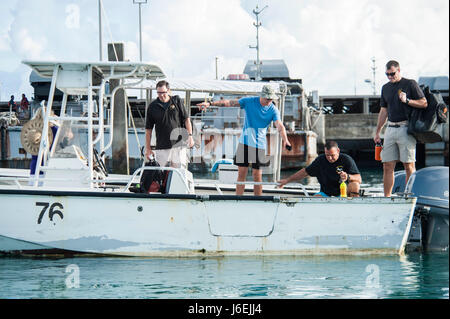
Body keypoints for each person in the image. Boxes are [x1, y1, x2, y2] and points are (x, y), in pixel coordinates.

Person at [197, 85, 291, 196]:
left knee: (257, 176)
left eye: (271, 99)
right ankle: (238, 199)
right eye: (267, 99)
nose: (269, 101)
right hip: (245, 143)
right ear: (262, 96)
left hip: (260, 145)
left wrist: (286, 140)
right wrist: (210, 104)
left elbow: (280, 126)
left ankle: (258, 200)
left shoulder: (273, 110)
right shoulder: (249, 101)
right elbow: (229, 103)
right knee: (241, 174)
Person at [374, 60, 427, 197]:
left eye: (392, 73)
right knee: (387, 165)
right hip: (390, 128)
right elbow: (383, 111)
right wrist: (378, 131)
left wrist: (407, 100)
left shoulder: (410, 84)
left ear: (398, 70)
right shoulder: (385, 88)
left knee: (408, 165)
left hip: (406, 128)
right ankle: (387, 198)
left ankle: (409, 196)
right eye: (387, 74)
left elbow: (424, 103)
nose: (390, 77)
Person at [278, 141, 362, 197]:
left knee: (355, 184)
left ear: (338, 151)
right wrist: (287, 180)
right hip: (325, 194)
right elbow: (304, 172)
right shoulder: (320, 160)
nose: (329, 158)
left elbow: (359, 178)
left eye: (332, 155)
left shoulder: (346, 159)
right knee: (315, 199)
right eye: (327, 155)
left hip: (343, 193)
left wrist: (348, 176)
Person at [145, 80, 194, 168]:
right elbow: (148, 129)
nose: (161, 95)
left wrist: (190, 136)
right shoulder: (152, 106)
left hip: (179, 144)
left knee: (179, 172)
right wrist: (148, 148)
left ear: (168, 91)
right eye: (159, 93)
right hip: (162, 145)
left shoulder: (177, 100)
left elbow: (187, 119)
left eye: (163, 92)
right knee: (161, 173)